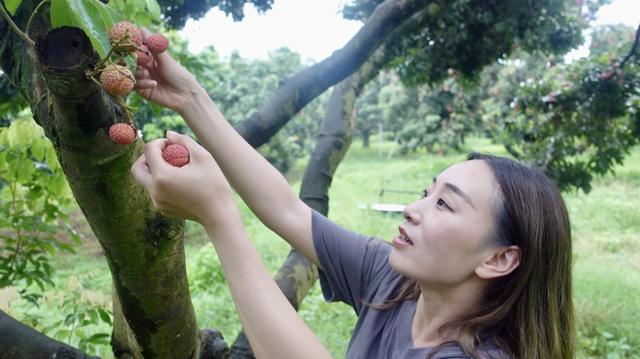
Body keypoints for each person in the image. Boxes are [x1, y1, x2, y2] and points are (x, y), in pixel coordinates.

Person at [130, 36, 574, 359]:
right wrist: (190, 98)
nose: (412, 209)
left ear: (498, 259)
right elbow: (286, 208)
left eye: (444, 204)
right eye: (427, 191)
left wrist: (219, 217)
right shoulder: (397, 283)